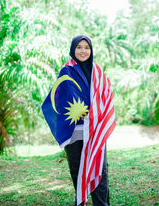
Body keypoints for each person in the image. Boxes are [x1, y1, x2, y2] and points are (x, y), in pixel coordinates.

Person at [42, 35, 115, 206]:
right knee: (77, 170)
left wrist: (98, 110)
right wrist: (81, 110)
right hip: (74, 131)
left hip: (95, 129)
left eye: (87, 47)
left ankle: (101, 204)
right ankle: (80, 201)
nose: (83, 51)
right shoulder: (66, 70)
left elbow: (105, 93)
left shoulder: (97, 71)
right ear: (73, 49)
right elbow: (62, 96)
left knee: (100, 170)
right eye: (79, 47)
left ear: (91, 50)